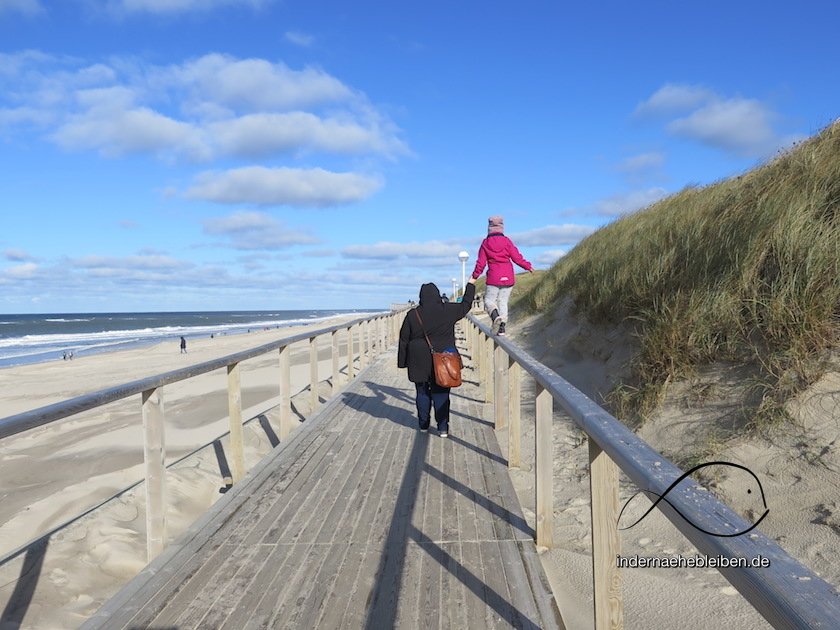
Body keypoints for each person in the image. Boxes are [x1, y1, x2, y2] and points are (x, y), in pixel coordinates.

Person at [398, 278, 476, 437]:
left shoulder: (413, 315)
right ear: (437, 295)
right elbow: (466, 305)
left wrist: (403, 362)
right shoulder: (447, 310)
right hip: (443, 358)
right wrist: (471, 284)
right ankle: (442, 428)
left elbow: (404, 339)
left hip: (418, 359)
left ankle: (423, 425)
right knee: (441, 392)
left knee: (422, 392)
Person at [470, 215, 533, 336]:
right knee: (503, 301)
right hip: (508, 277)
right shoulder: (507, 241)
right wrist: (528, 266)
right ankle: (502, 328)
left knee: (489, 300)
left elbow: (481, 263)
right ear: (502, 227)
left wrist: (474, 276)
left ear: (489, 228)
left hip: (494, 277)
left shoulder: (485, 243)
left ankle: (495, 317)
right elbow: (517, 258)